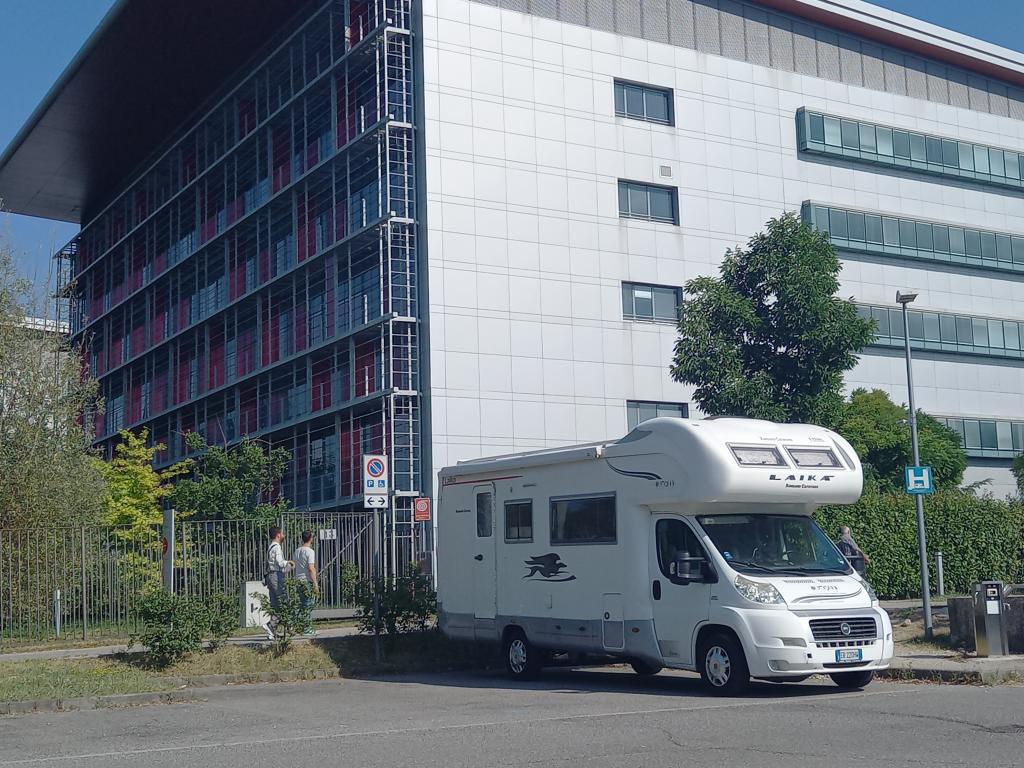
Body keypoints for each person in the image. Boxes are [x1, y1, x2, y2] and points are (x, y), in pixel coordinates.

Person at [264, 525, 293, 640]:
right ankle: (272, 625)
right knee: (283, 602)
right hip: (276, 576)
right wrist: (289, 563)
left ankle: (272, 630)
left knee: (275, 604)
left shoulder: (270, 547)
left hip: (270, 576)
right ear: (278, 535)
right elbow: (280, 563)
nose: (284, 535)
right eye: (282, 533)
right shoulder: (277, 547)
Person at [293, 530, 319, 636]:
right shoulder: (310, 551)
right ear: (311, 539)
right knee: (309, 604)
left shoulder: (297, 551)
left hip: (298, 579)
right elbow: (311, 568)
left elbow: (295, 564)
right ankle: (307, 628)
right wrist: (316, 583)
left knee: (302, 604)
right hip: (307, 581)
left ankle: (300, 626)